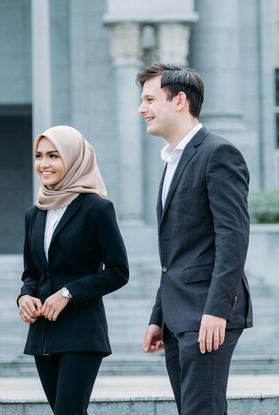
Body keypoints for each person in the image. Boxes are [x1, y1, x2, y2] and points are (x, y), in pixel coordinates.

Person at [137, 64, 253, 414]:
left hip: (208, 313)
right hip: (178, 316)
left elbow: (233, 237)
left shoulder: (218, 153)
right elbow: (176, 252)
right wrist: (159, 316)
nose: (141, 109)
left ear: (180, 100)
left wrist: (218, 308)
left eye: (149, 99)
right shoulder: (173, 161)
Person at [17, 125, 129, 414]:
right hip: (43, 331)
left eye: (54, 155)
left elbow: (118, 270)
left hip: (81, 330)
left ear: (74, 158)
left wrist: (68, 293)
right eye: (39, 156)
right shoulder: (35, 213)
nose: (43, 164)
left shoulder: (97, 208)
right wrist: (24, 297)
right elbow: (32, 273)